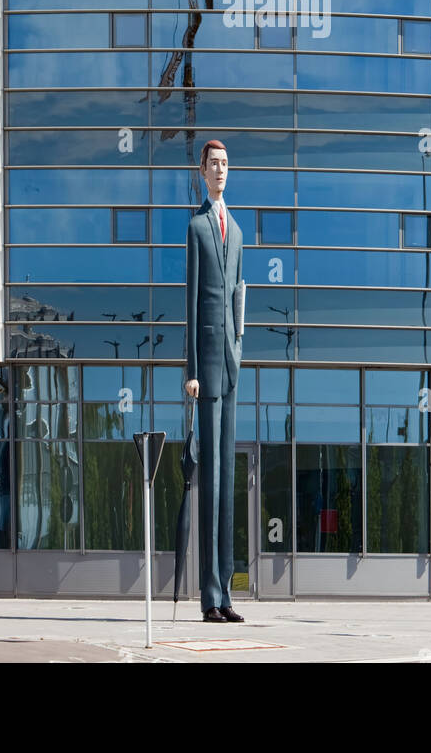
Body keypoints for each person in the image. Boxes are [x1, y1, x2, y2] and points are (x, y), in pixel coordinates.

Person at [184, 138, 245, 623]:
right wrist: (189, 371)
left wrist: (240, 344)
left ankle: (226, 591)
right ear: (202, 171)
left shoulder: (238, 231)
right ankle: (207, 596)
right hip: (205, 366)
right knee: (210, 479)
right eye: (213, 165)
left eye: (225, 165)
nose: (220, 171)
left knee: (228, 478)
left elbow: (239, 294)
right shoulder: (197, 226)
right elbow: (189, 304)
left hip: (231, 361)